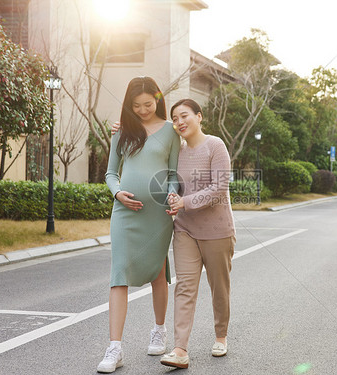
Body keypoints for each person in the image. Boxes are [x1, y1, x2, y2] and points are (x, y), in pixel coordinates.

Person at [97, 76, 180, 373]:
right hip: (124, 213)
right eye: (136, 105)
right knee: (118, 273)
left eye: (148, 104)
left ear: (158, 99)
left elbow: (172, 172)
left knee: (158, 271)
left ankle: (159, 330)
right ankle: (114, 348)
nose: (143, 110)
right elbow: (110, 173)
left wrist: (172, 193)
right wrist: (117, 192)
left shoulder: (171, 132)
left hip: (157, 214)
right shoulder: (123, 130)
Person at [160, 99, 236, 369]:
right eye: (175, 118)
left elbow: (218, 188)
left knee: (219, 288)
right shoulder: (176, 151)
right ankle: (180, 350)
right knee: (185, 288)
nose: (180, 122)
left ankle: (221, 336)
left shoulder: (215, 146)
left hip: (217, 231)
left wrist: (185, 202)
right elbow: (174, 182)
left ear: (199, 117)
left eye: (184, 116)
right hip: (185, 229)